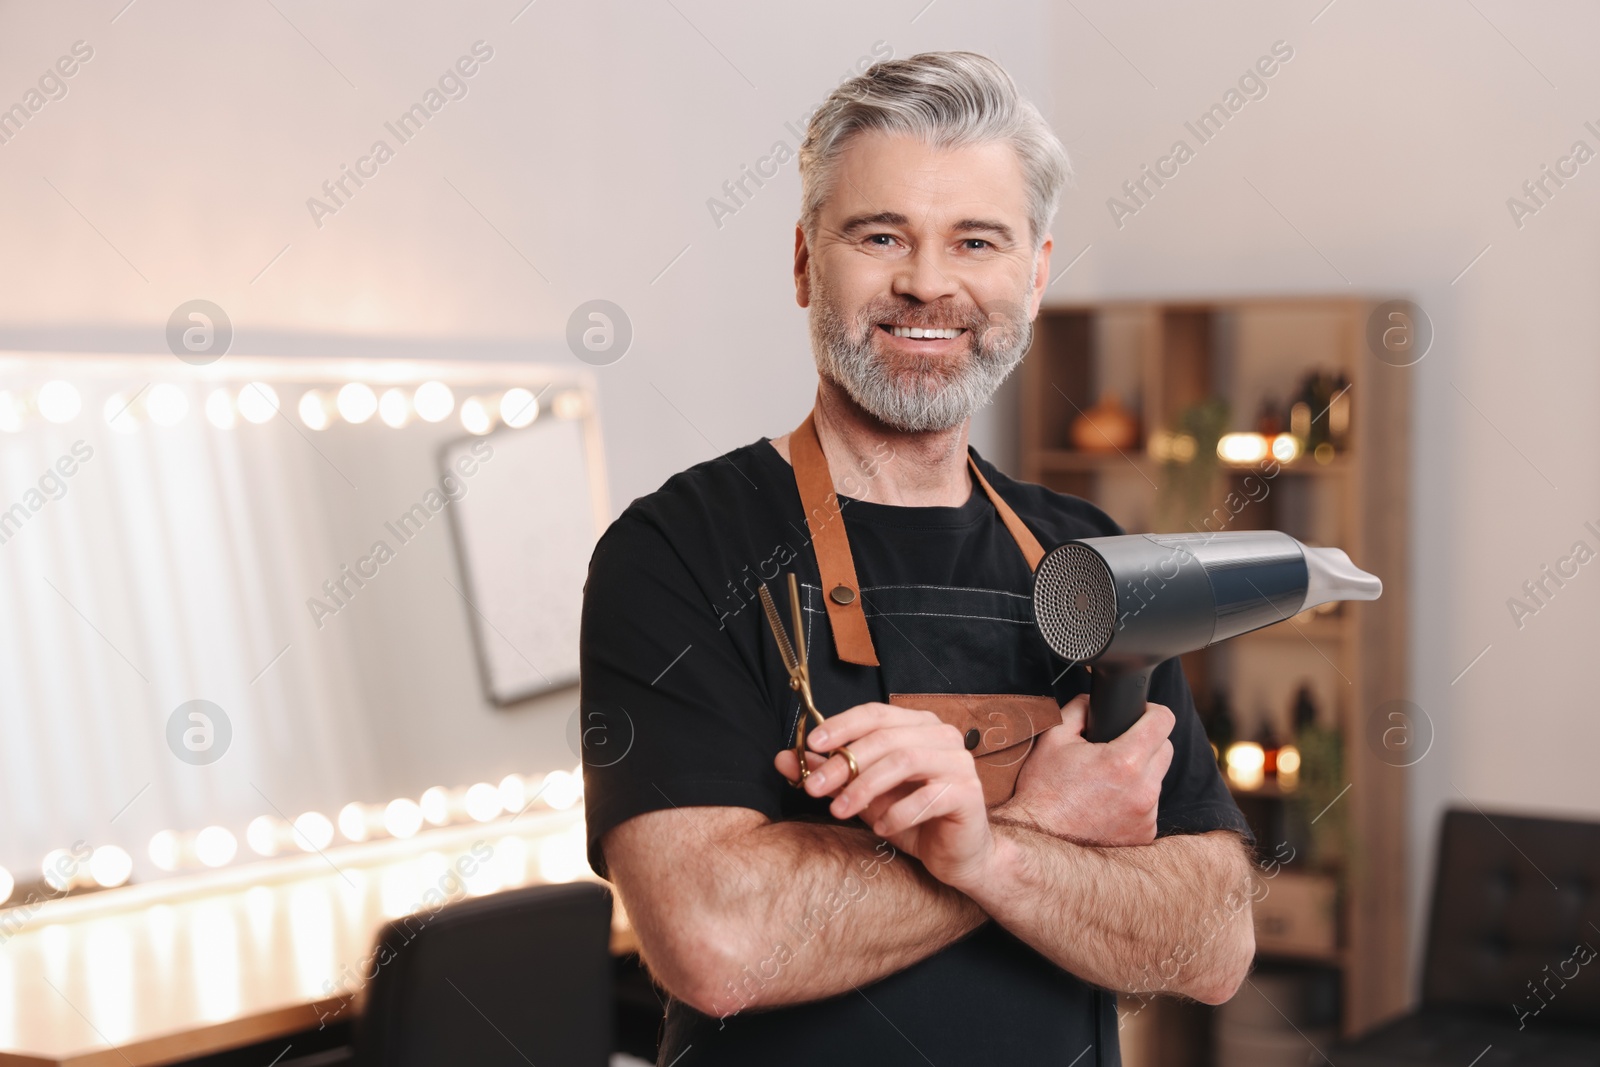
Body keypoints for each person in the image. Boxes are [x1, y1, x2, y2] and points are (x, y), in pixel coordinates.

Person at [580, 50, 1256, 1067]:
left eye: (975, 240)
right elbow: (719, 941)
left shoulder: (1098, 559)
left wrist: (986, 844)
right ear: (806, 261)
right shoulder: (676, 550)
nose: (927, 283)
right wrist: (1045, 822)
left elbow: (1211, 939)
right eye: (879, 234)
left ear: (1031, 273)